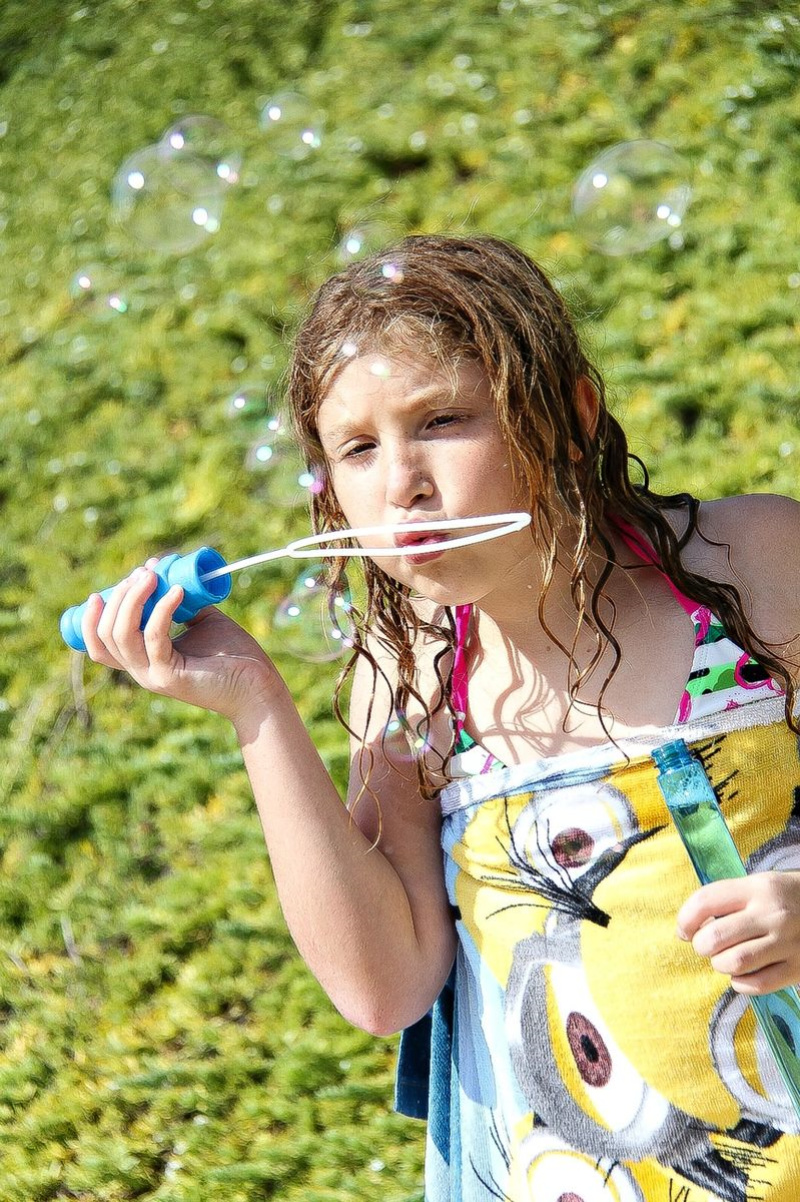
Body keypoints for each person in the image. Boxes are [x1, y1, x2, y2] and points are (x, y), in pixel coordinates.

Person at [80, 234, 800, 1200]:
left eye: (444, 421)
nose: (402, 483)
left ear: (573, 414)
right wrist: (257, 706)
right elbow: (384, 986)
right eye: (359, 448)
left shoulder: (746, 568)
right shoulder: (411, 679)